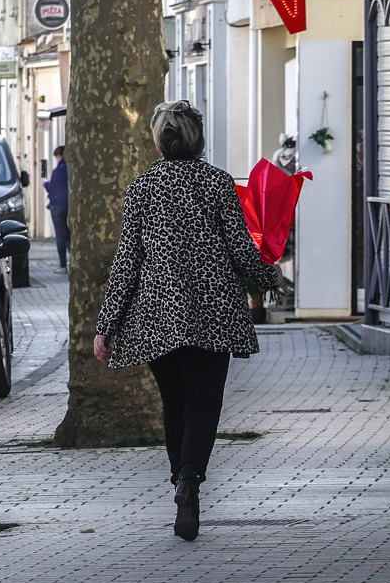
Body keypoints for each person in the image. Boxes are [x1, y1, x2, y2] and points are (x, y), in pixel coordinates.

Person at [93, 100, 282, 542]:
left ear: (160, 141)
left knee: (174, 403)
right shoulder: (217, 184)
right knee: (205, 402)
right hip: (214, 315)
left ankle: (180, 474)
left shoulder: (143, 189)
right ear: (198, 139)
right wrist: (268, 276)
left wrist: (107, 326)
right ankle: (189, 479)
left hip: (157, 316)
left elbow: (127, 262)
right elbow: (239, 247)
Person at [44, 145, 70, 274]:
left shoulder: (57, 171)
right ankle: (74, 262)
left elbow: (52, 187)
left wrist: (46, 184)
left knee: (60, 236)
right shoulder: (71, 170)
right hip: (68, 205)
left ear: (59, 156)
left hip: (57, 206)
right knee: (69, 236)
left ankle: (63, 265)